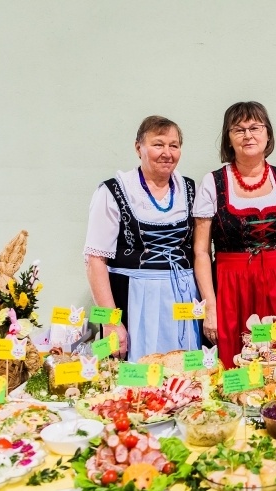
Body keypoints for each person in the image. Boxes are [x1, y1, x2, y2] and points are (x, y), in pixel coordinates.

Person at [84, 115, 200, 361]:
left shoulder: (190, 188)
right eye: (158, 144)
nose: (167, 153)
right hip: (131, 297)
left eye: (174, 145)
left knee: (184, 376)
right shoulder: (113, 191)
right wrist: (111, 322)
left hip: (182, 297)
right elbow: (94, 260)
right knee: (133, 380)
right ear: (139, 148)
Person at [193, 101, 276, 368]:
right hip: (230, 286)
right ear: (228, 138)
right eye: (238, 129)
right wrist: (210, 308)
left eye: (255, 127)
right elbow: (201, 252)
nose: (248, 135)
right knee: (234, 360)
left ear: (268, 133)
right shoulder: (212, 183)